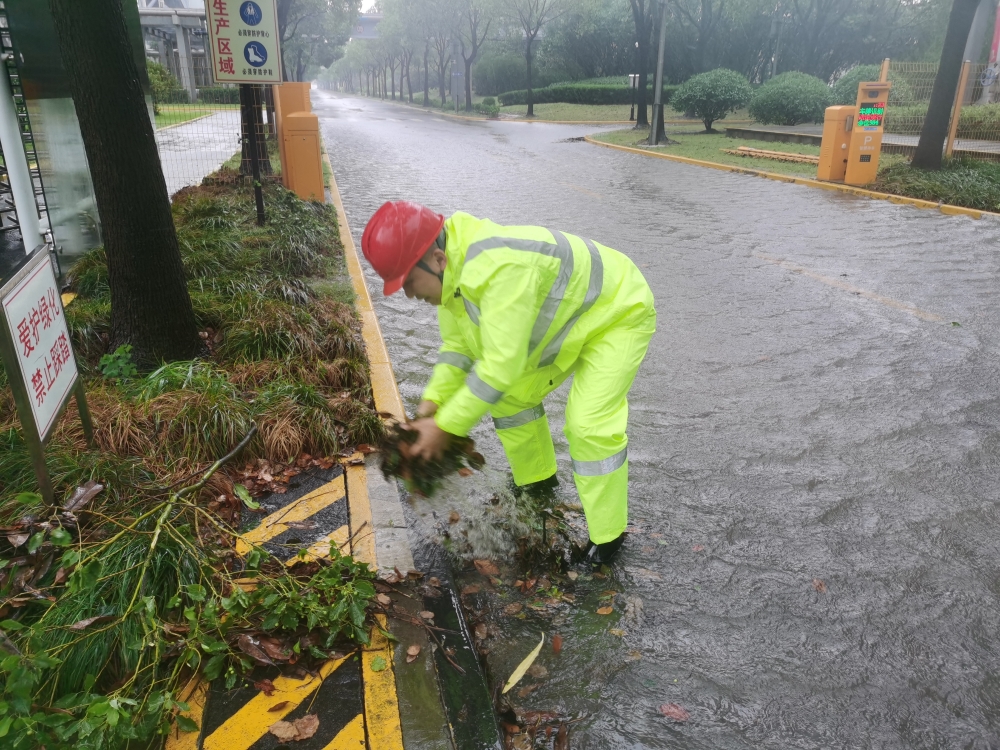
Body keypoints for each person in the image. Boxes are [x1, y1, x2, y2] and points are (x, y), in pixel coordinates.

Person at [361, 201, 656, 566]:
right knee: (509, 398)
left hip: (618, 310)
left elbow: (500, 365)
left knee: (588, 425)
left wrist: (445, 427)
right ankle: (538, 481)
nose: (408, 294)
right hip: (572, 319)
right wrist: (428, 409)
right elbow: (457, 349)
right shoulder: (453, 277)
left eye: (408, 282)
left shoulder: (500, 267)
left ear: (436, 259)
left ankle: (608, 539)